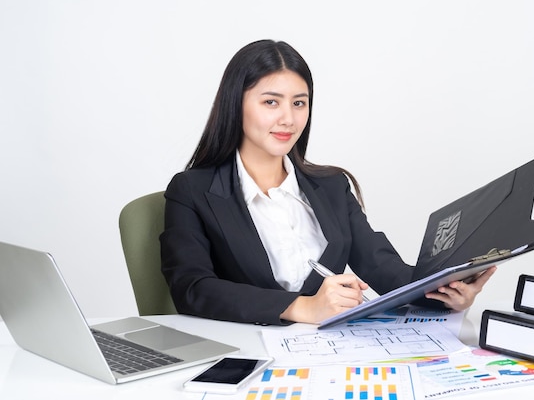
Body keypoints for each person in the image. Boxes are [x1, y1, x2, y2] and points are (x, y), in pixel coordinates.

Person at [160, 39, 496, 325]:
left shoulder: (332, 186)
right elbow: (192, 288)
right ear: (236, 104)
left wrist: (447, 293)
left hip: (329, 355)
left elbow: (385, 270)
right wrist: (303, 307)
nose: (288, 119)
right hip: (250, 356)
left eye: (299, 103)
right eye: (271, 102)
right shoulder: (192, 191)